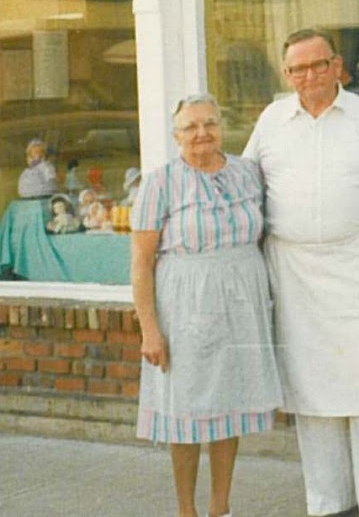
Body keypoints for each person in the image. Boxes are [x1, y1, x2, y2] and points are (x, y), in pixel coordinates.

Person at [244, 29, 359, 517]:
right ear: (286, 74)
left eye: (318, 65)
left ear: (337, 66)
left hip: (358, 266)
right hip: (293, 272)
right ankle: (329, 505)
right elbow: (242, 184)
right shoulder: (272, 120)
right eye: (297, 69)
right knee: (311, 397)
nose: (309, 76)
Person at [132, 93, 283, 517]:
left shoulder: (247, 174)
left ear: (222, 127)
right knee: (187, 408)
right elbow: (141, 263)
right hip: (185, 304)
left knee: (228, 406)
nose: (202, 134)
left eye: (210, 124)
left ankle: (221, 508)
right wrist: (150, 328)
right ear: (176, 136)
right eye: (191, 127)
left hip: (241, 302)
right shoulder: (159, 182)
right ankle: (186, 510)